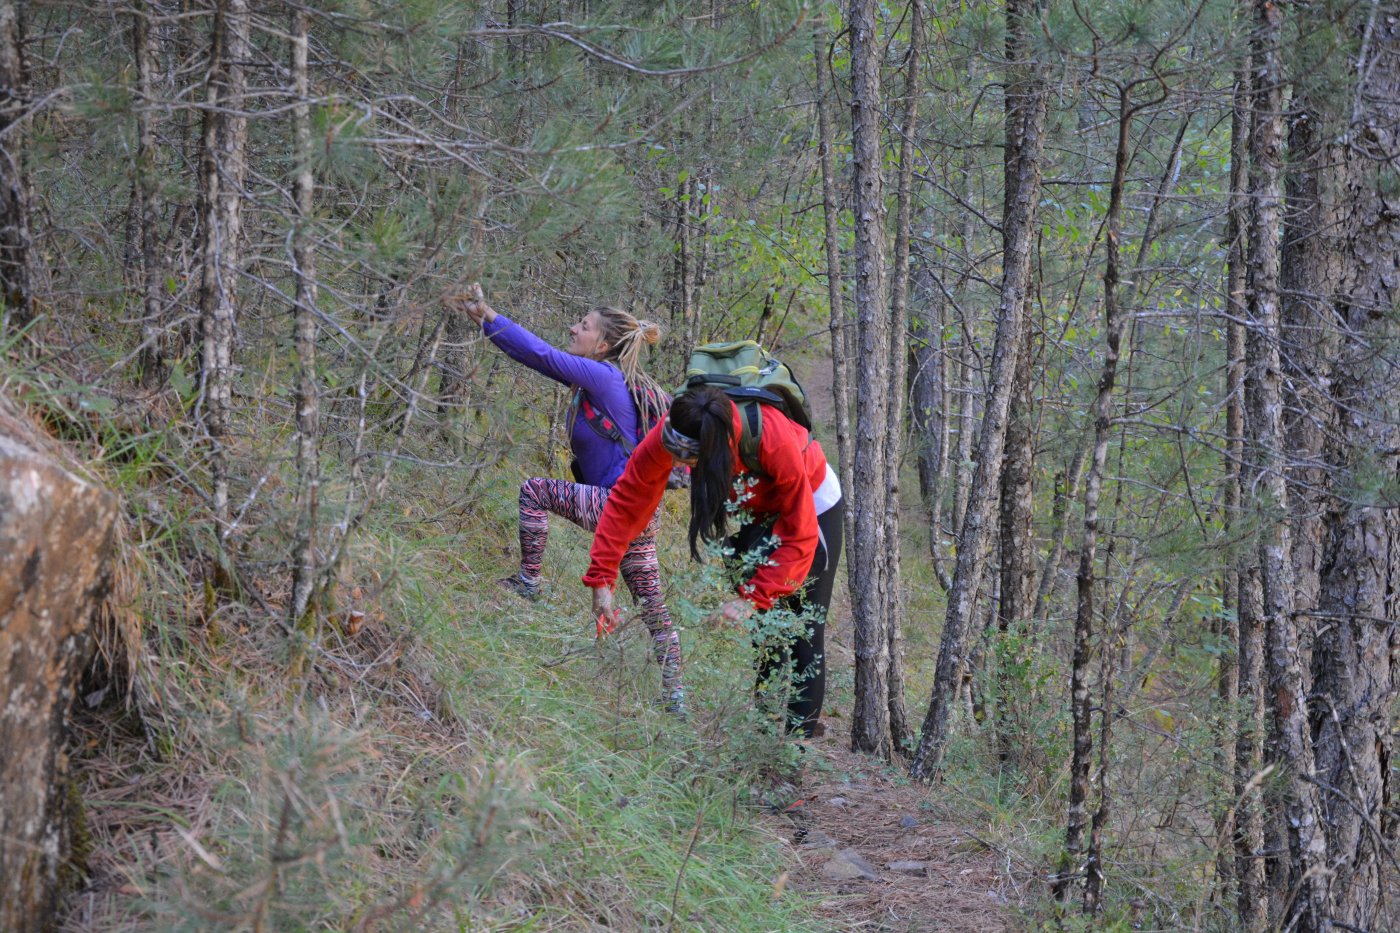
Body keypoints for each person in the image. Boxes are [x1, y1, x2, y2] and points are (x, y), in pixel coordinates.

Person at [445, 283, 684, 712]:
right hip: (641, 514)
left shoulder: (605, 375)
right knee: (652, 606)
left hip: (615, 505)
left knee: (534, 491)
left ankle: (528, 583)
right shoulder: (613, 382)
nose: (574, 328)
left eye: (585, 326)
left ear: (604, 344)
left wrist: (489, 317)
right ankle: (676, 700)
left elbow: (541, 356)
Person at [583, 385, 843, 737]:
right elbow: (629, 499)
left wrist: (751, 597)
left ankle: (796, 752)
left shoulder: (774, 439)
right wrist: (602, 577)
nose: (680, 466)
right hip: (760, 507)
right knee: (765, 634)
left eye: (690, 461)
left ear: (715, 449)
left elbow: (800, 534)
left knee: (803, 633)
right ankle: (765, 737)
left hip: (813, 502)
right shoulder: (677, 429)